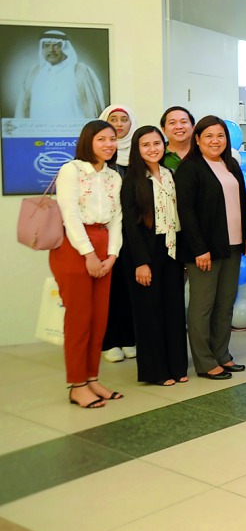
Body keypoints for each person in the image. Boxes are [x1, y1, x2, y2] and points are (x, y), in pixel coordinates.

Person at [176, 116, 246, 380]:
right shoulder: (190, 168)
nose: (215, 141)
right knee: (202, 306)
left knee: (225, 304)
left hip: (232, 246)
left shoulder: (229, 164)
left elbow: (242, 201)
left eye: (220, 135)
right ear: (197, 139)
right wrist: (199, 249)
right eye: (208, 136)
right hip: (205, 251)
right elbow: (185, 213)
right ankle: (204, 360)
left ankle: (222, 354)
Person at [51, 120, 123, 409]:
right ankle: (76, 384)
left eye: (112, 139)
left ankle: (92, 378)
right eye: (101, 139)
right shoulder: (71, 170)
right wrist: (89, 254)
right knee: (79, 319)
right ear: (88, 141)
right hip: (74, 248)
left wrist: (113, 255)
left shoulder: (113, 176)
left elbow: (117, 218)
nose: (108, 144)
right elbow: (69, 215)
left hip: (105, 245)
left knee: (99, 318)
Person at [120, 126, 187, 386]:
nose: (152, 149)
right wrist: (141, 262)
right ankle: (156, 371)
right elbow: (130, 226)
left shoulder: (170, 175)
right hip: (146, 252)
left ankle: (177, 366)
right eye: (145, 145)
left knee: (173, 309)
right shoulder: (132, 180)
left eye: (156, 143)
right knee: (150, 313)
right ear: (137, 149)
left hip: (171, 250)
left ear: (164, 145)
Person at [99, 104, 137, 364]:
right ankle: (110, 340)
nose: (120, 124)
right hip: (105, 235)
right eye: (114, 120)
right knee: (107, 290)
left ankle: (130, 337)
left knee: (130, 288)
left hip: (133, 235)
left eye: (124, 119)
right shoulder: (98, 160)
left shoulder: (139, 155)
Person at [16, 29, 105, 120]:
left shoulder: (79, 71)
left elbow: (92, 107)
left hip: (75, 132)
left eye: (56, 46)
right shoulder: (34, 72)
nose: (51, 50)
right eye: (46, 46)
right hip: (39, 132)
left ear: (65, 48)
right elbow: (22, 109)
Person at [160, 106, 195, 171]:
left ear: (193, 127)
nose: (179, 127)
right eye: (172, 123)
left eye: (183, 122)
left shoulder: (204, 152)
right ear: (163, 130)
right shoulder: (156, 154)